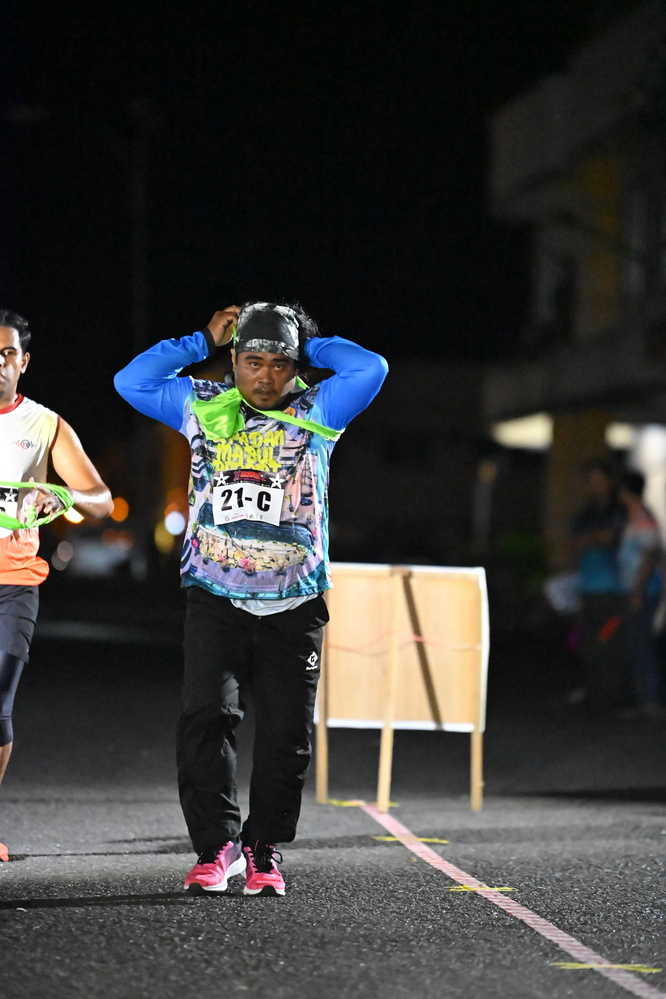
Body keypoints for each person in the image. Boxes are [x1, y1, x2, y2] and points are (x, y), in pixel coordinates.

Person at [114, 301, 387, 896]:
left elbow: (372, 368)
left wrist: (309, 343)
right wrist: (198, 341)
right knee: (205, 718)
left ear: (296, 367)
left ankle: (264, 849)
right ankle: (217, 847)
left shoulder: (319, 409)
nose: (265, 377)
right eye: (253, 362)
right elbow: (130, 381)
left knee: (287, 734)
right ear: (233, 360)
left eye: (280, 364)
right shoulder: (203, 403)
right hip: (215, 595)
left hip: (295, 601)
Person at [0, 310, 113, 861]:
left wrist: (61, 496)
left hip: (14, 582)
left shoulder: (45, 425)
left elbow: (101, 498)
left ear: (23, 362)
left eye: (7, 354)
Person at [569, 458, 627, 712]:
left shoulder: (619, 510)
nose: (594, 484)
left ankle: (613, 696)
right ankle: (595, 694)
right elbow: (574, 544)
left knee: (609, 638)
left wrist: (593, 539)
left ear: (609, 481)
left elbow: (617, 538)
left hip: (614, 588)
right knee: (589, 642)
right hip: (589, 586)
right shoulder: (586, 513)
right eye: (590, 479)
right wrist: (593, 539)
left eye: (598, 479)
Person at [617, 470, 664, 719]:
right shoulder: (635, 516)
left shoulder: (643, 518)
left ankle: (649, 701)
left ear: (626, 491)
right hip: (638, 589)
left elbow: (648, 556)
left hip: (644, 591)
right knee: (637, 644)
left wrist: (637, 590)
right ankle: (644, 699)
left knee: (640, 645)